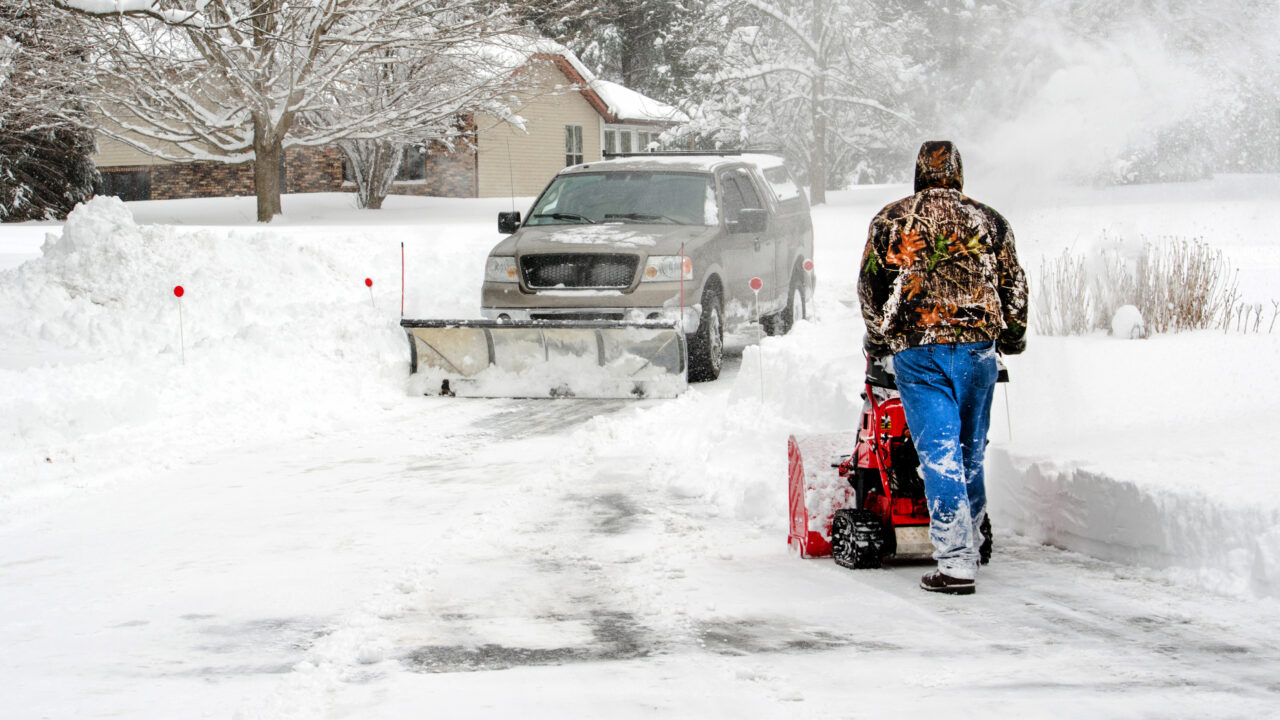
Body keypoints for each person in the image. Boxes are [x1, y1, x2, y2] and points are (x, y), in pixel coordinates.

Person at [857, 140, 1028, 595]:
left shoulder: (893, 219)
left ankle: (955, 563)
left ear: (919, 173)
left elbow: (871, 288)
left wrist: (879, 340)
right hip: (977, 350)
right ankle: (969, 542)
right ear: (958, 172)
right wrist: (1012, 337)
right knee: (970, 453)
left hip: (919, 351)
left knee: (940, 454)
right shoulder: (988, 220)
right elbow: (1013, 285)